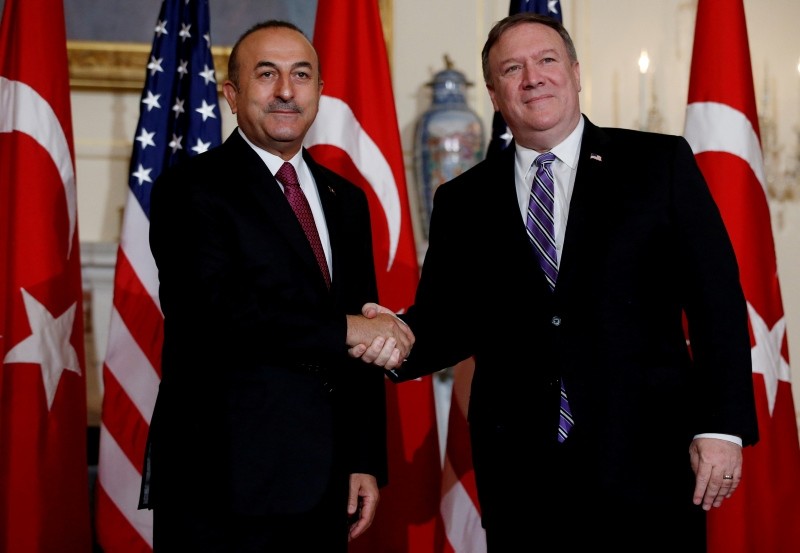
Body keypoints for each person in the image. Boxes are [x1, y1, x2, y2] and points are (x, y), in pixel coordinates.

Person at [359, 12, 759, 551]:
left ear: (574, 72)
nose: (533, 77)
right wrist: (391, 337)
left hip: (648, 468)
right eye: (512, 68)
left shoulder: (657, 163)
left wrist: (721, 426)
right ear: (495, 94)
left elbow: (718, 303)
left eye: (547, 60)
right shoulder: (463, 200)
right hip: (522, 481)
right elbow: (448, 323)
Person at [138, 20, 413, 552]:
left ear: (319, 93)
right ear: (232, 95)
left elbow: (362, 325)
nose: (286, 90)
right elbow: (214, 314)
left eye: (301, 75)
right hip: (223, 481)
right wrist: (348, 328)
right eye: (267, 75)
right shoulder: (190, 189)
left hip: (325, 480)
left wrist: (363, 459)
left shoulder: (346, 200)